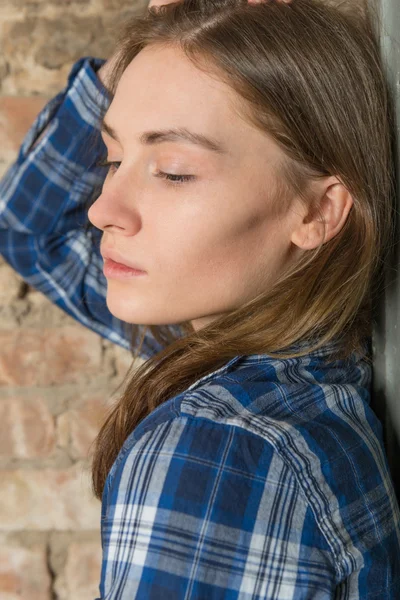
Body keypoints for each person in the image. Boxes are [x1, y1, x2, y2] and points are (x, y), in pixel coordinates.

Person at [1, 0, 400, 597]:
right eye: (113, 158)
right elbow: (33, 232)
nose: (102, 208)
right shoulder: (306, 371)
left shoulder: (220, 444)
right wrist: (182, 33)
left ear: (318, 211)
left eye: (174, 172)